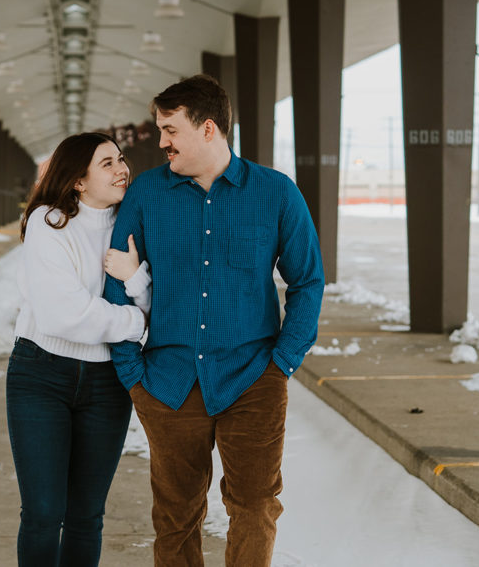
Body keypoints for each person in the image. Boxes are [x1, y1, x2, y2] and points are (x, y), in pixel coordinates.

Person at [103, 75, 325, 566]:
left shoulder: (276, 193)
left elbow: (307, 281)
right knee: (176, 515)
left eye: (170, 130)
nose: (161, 142)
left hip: (253, 378)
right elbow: (114, 283)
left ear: (208, 129)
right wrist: (131, 373)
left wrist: (283, 361)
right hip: (167, 381)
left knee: (254, 507)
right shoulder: (146, 195)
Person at [7, 131, 151, 567]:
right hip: (40, 376)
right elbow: (63, 315)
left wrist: (136, 280)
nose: (122, 168)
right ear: (78, 180)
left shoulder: (135, 224)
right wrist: (135, 323)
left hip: (106, 383)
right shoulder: (48, 223)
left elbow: (158, 298)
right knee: (43, 515)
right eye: (106, 162)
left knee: (87, 516)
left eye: (121, 158)